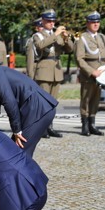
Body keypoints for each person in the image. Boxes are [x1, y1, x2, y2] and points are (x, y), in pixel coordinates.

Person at [33, 9, 74, 138]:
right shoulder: (38, 35)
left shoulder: (57, 35)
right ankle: (41, 128)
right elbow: (40, 46)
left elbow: (70, 49)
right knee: (43, 102)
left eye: (53, 20)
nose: (52, 23)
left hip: (56, 70)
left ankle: (50, 126)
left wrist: (66, 39)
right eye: (49, 20)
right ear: (43, 21)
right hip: (44, 70)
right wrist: (56, 34)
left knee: (53, 102)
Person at [74, 11, 105, 136]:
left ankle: (92, 124)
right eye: (93, 22)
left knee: (96, 99)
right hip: (88, 74)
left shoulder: (102, 37)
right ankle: (85, 125)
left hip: (102, 73)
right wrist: (92, 72)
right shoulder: (82, 38)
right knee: (86, 99)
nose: (96, 24)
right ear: (88, 23)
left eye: (97, 22)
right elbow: (79, 58)